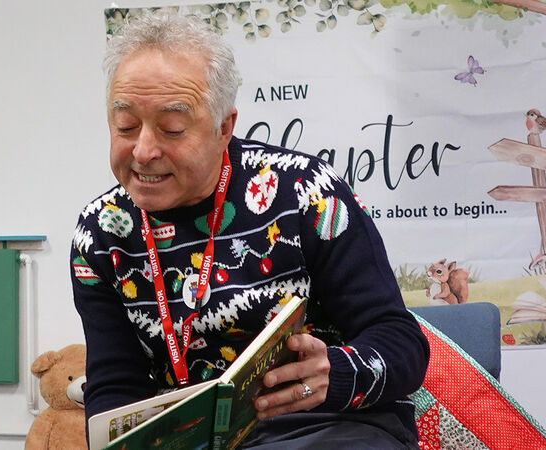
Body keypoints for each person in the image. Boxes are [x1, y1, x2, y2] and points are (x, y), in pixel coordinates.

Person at [71, 11, 429, 449]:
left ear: (224, 128)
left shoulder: (305, 193)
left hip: (325, 428)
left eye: (172, 129)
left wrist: (332, 373)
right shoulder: (101, 233)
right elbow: (114, 387)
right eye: (125, 126)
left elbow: (402, 344)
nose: (144, 151)